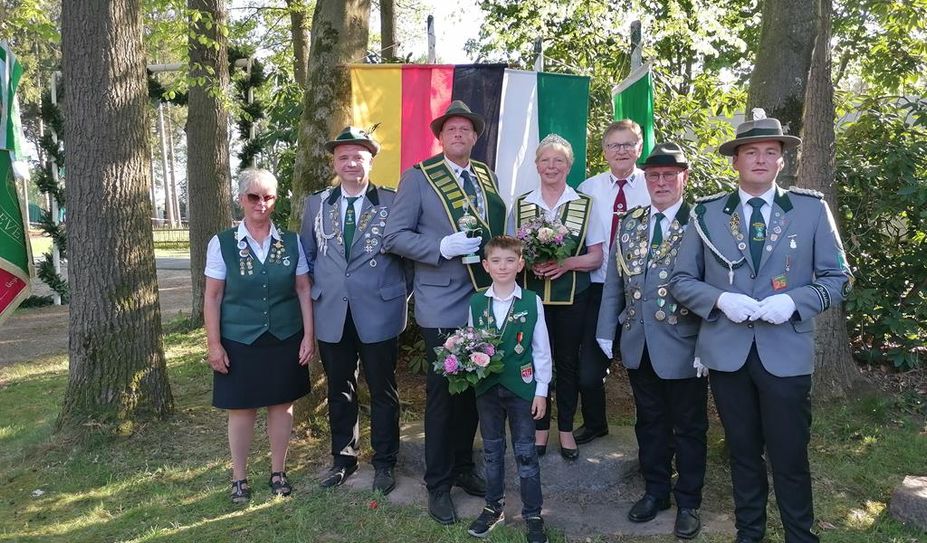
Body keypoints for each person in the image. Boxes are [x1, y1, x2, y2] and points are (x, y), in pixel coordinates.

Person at [670, 113, 852, 543]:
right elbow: (681, 280)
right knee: (743, 452)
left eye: (771, 153)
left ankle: (799, 536)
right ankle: (749, 534)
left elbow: (837, 276)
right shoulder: (708, 213)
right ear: (735, 160)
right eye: (751, 152)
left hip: (785, 351)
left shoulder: (810, 209)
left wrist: (793, 301)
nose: (761, 160)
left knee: (789, 455)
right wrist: (719, 299)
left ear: (782, 162)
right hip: (728, 353)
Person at [382, 100, 507, 524]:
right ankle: (437, 484)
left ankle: (463, 468)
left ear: (475, 137)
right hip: (440, 302)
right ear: (441, 136)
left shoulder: (486, 177)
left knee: (475, 390)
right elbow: (393, 236)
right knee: (442, 396)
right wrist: (438, 247)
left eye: (466, 130)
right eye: (451, 129)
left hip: (482, 300)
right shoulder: (419, 178)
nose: (459, 134)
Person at [595, 143, 707, 540]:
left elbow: (713, 288)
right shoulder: (632, 222)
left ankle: (689, 500)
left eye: (669, 175)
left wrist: (709, 345)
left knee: (689, 426)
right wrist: (607, 330)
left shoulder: (701, 221)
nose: (661, 182)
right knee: (650, 423)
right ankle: (656, 491)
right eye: (654, 176)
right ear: (646, 179)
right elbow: (614, 281)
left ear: (684, 178)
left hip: (685, 346)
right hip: (639, 342)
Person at [300, 127, 407, 494]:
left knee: (382, 389)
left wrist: (395, 294)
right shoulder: (317, 204)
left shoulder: (392, 201)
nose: (350, 164)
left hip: (379, 310)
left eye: (358, 157)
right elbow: (308, 254)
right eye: (343, 157)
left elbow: (406, 257)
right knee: (340, 389)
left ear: (370, 161)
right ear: (334, 162)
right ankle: (343, 458)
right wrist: (321, 294)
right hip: (332, 312)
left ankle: (385, 461)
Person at [203, 168, 315, 504]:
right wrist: (214, 343)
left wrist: (309, 337)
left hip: (285, 336)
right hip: (239, 339)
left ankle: (278, 471)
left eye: (268, 197)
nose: (261, 203)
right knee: (242, 409)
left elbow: (303, 290)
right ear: (241, 199)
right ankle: (239, 477)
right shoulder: (221, 243)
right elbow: (212, 296)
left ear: (276, 200)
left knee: (282, 406)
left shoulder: (291, 241)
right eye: (254, 196)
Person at [508, 133, 605, 460]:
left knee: (567, 364)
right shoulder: (522, 204)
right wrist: (525, 262)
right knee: (532, 364)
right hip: (531, 298)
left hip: (573, 298)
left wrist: (565, 263)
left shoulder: (586, 204)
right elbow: (509, 252)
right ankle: (539, 429)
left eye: (558, 160)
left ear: (569, 165)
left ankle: (565, 428)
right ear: (536, 165)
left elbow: (596, 257)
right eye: (545, 160)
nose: (552, 166)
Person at [465, 236, 552, 543]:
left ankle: (533, 513)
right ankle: (493, 507)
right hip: (487, 389)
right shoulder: (477, 302)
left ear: (521, 264)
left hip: (522, 389)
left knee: (526, 452)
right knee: (492, 450)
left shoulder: (531, 301)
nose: (503, 267)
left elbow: (542, 350)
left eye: (509, 261)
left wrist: (541, 390)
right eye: (496, 261)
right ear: (486, 266)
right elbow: (470, 344)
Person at [575, 120, 651, 445]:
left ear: (639, 148)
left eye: (628, 144)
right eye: (614, 145)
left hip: (641, 292)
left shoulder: (654, 185)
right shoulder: (587, 189)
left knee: (644, 374)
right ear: (604, 151)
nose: (621, 150)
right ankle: (595, 423)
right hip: (597, 289)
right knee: (589, 374)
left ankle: (650, 436)